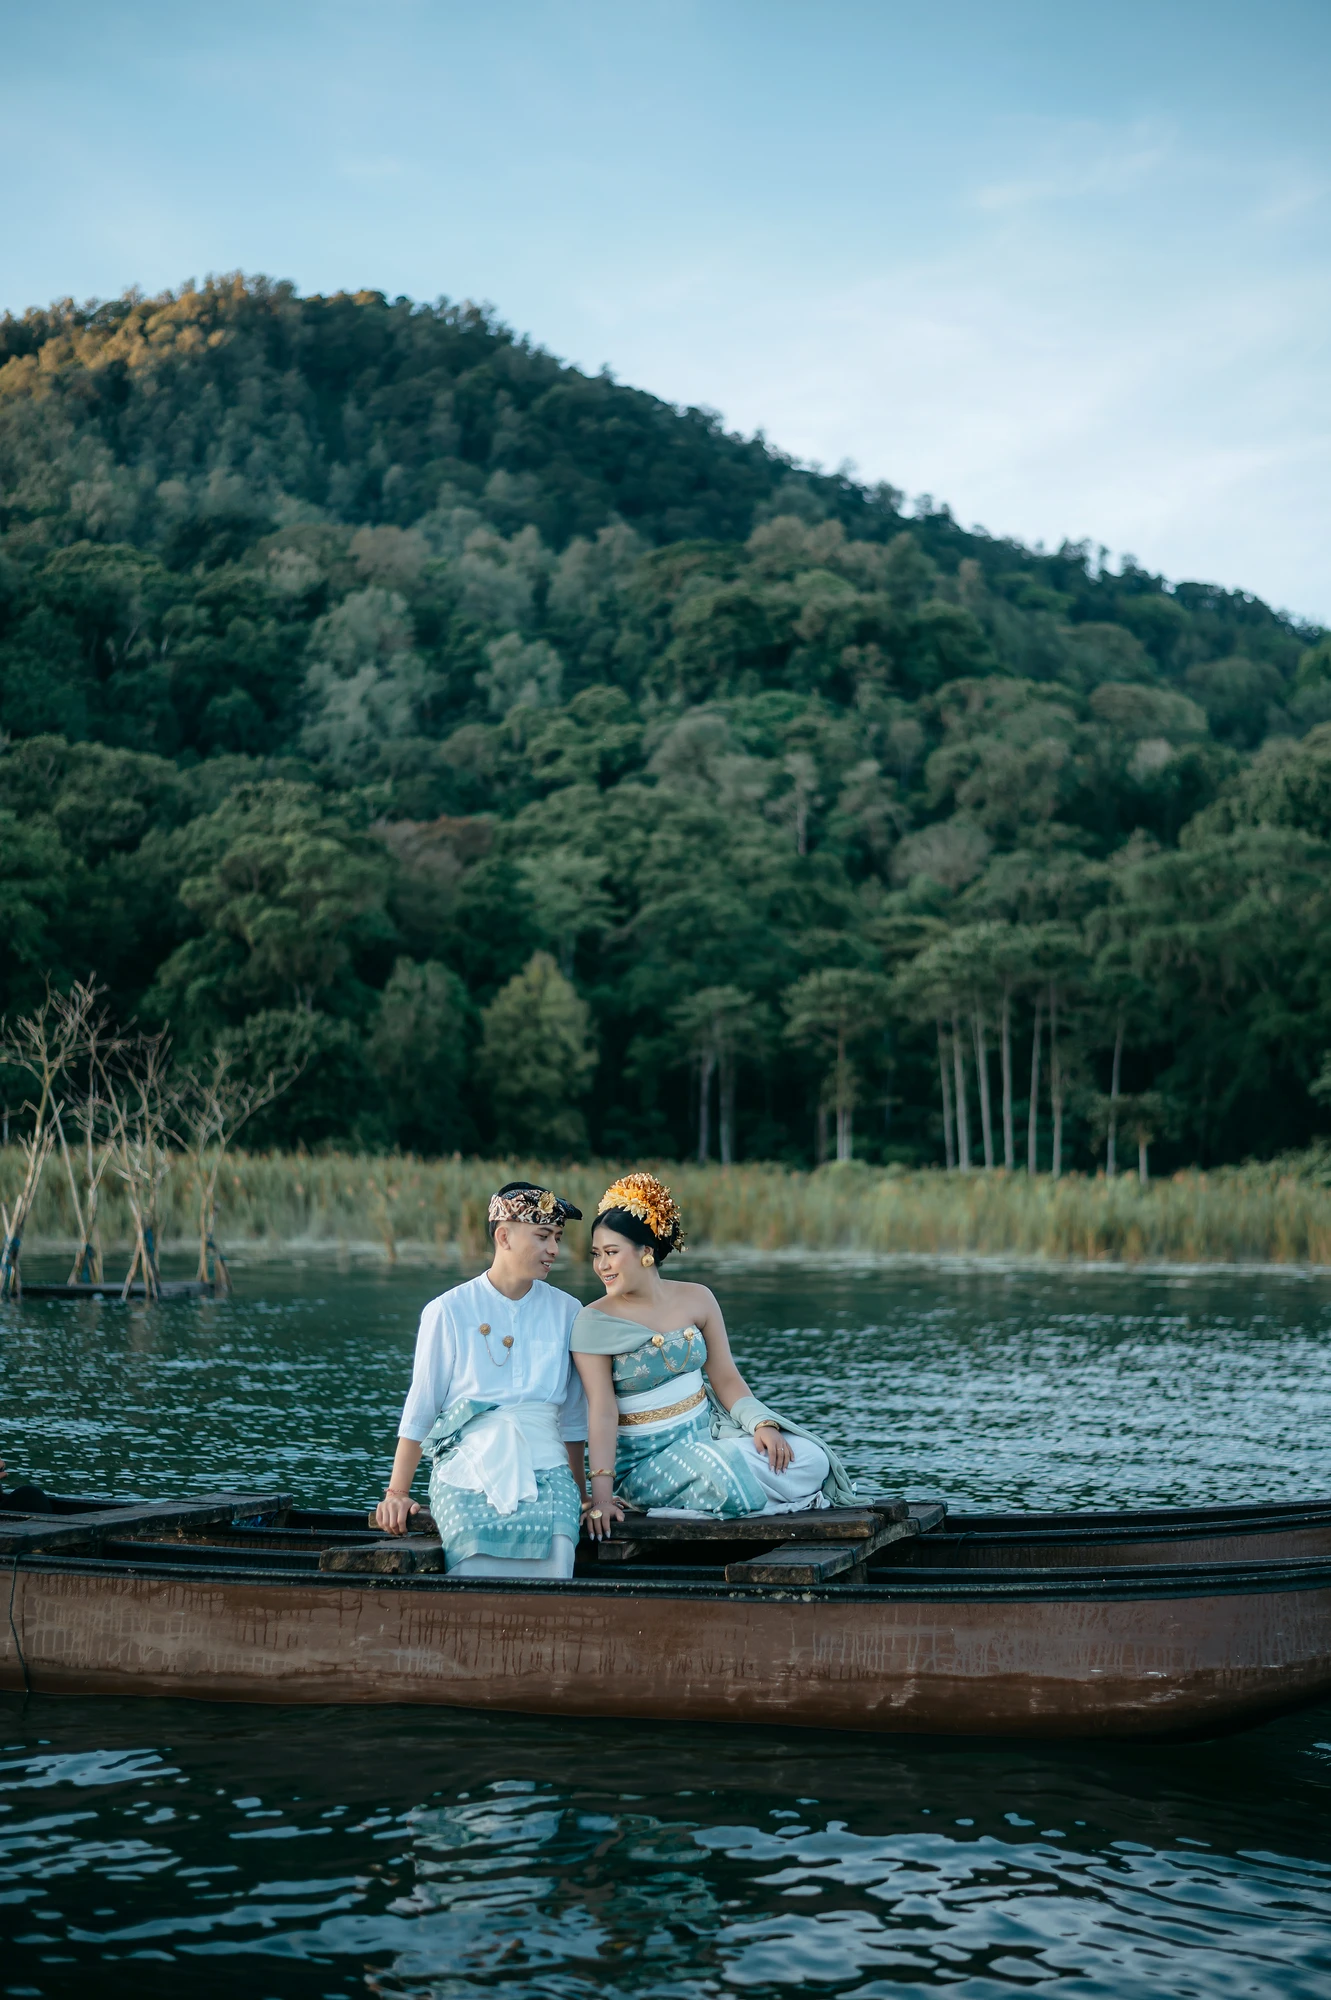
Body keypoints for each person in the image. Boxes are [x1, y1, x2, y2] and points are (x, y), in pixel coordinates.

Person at [571, 1172, 856, 1541]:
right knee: (721, 1474)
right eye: (596, 1255)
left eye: (611, 1253)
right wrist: (602, 1499)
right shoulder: (592, 1321)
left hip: (712, 1434)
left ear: (646, 1252)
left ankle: (735, 1499)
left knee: (811, 1458)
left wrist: (762, 1425)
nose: (602, 1266)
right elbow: (602, 1411)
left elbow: (726, 1378)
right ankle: (739, 1500)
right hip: (645, 1461)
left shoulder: (697, 1298)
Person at [375, 1181, 588, 1578]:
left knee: (559, 1544)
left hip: (547, 1463)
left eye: (557, 1238)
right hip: (467, 1463)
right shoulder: (448, 1310)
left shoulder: (569, 1312)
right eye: (543, 1236)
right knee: (472, 1546)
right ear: (503, 1236)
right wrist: (397, 1493)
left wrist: (581, 1493)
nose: (554, 1250)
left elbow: (574, 1418)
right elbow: (422, 1408)